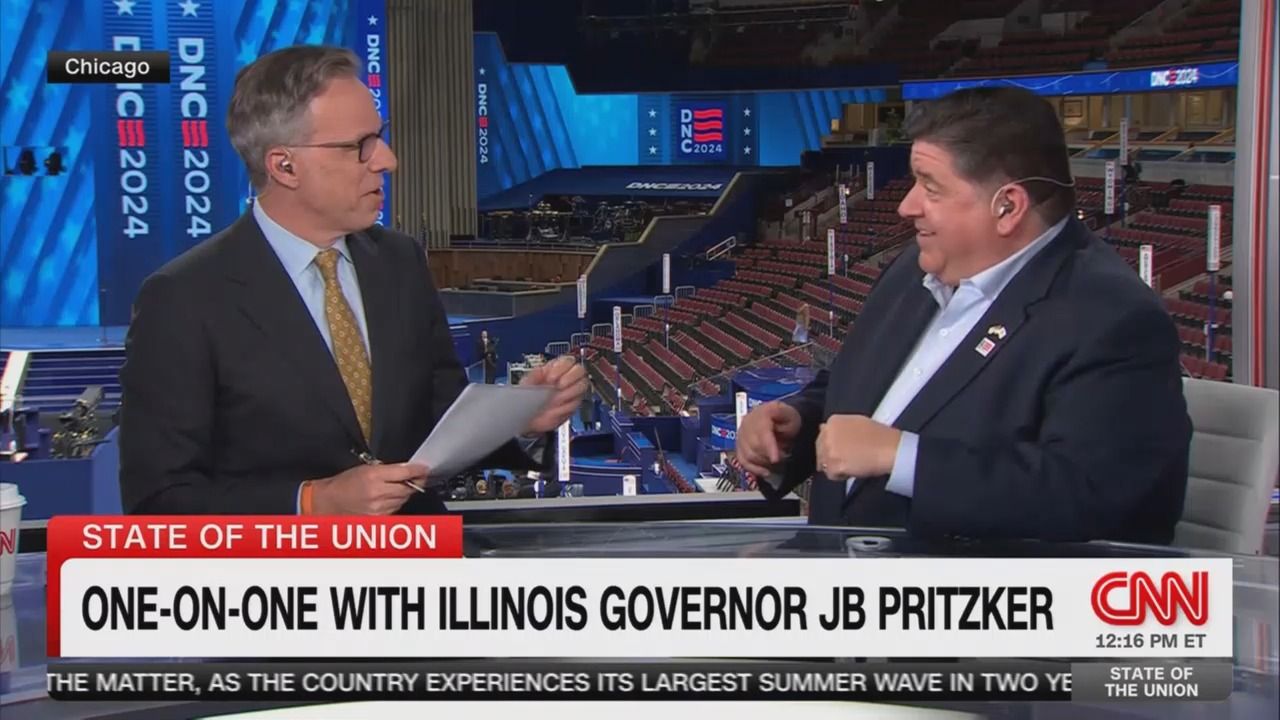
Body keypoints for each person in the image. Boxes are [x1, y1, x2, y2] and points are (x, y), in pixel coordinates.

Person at [118, 46, 587, 515]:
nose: (386, 159)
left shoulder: (399, 262)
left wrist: (521, 419)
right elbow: (159, 502)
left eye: (379, 138)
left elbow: (439, 422)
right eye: (358, 146)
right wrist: (311, 502)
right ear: (284, 166)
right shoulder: (184, 298)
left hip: (417, 568)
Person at [736, 86, 1191, 544]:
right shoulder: (912, 271)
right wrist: (794, 427)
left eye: (930, 186)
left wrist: (903, 458)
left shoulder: (1112, 320)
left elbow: (1090, 497)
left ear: (1007, 207)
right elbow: (854, 390)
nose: (906, 206)